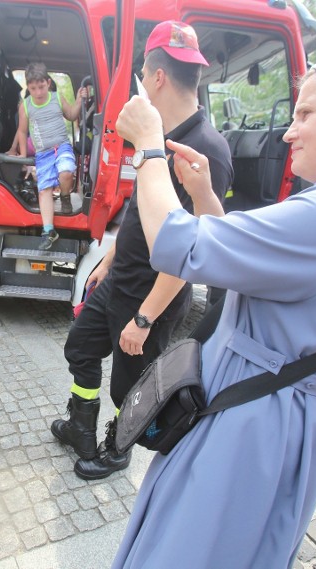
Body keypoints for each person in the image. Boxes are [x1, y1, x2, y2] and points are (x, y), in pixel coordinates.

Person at [111, 28, 316, 567]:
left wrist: (147, 147)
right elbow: (248, 272)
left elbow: (176, 245)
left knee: (189, 550)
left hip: (253, 419)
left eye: (306, 114)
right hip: (264, 407)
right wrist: (207, 198)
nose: (288, 132)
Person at [50, 21, 232, 481]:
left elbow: (195, 250)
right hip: (117, 281)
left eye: (142, 79)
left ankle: (118, 447)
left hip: (150, 299)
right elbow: (137, 213)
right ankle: (80, 425)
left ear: (156, 77)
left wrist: (145, 318)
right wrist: (107, 260)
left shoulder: (207, 150)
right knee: (80, 348)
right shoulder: (155, 136)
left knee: (130, 389)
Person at [9, 62, 87, 249]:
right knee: (44, 190)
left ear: (48, 83)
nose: (38, 92)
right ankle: (48, 231)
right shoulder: (26, 106)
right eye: (33, 88)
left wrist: (79, 100)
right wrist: (24, 157)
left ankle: (66, 196)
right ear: (28, 87)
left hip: (61, 147)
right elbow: (22, 131)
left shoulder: (56, 98)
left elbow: (71, 114)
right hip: (43, 154)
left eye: (41, 87)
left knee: (66, 172)